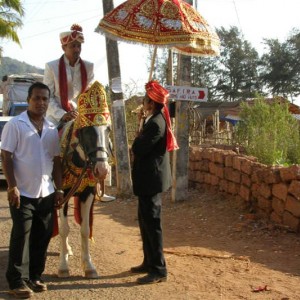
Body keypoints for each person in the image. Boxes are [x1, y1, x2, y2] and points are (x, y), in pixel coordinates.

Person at [1, 82, 64, 299]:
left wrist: (60, 189)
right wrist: (12, 186)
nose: (41, 102)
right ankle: (16, 280)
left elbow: (56, 161)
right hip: (22, 193)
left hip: (45, 192)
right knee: (21, 235)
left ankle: (34, 276)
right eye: (37, 98)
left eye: (45, 99)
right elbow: (6, 156)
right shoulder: (15, 125)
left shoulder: (50, 128)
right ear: (29, 100)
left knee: (42, 236)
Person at [43, 23, 115, 202]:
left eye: (79, 46)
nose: (76, 49)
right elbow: (48, 96)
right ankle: (48, 184)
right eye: (72, 46)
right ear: (64, 47)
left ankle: (100, 185)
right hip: (56, 115)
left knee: (102, 140)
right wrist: (62, 114)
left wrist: (84, 112)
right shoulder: (51, 66)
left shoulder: (88, 66)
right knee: (47, 144)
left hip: (82, 114)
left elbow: (88, 92)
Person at [130, 80, 179, 284]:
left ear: (151, 103)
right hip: (147, 180)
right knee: (144, 222)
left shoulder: (156, 123)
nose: (142, 104)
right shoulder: (152, 120)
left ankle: (159, 269)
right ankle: (148, 261)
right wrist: (141, 124)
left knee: (152, 224)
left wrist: (138, 137)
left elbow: (138, 148)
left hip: (152, 180)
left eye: (145, 101)